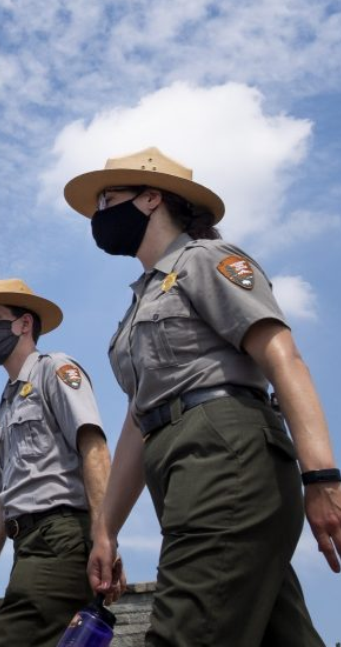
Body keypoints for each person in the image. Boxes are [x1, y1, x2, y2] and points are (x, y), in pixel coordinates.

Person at [63, 146, 340, 646]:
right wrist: (106, 529)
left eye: (108, 199)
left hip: (224, 454)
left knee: (184, 633)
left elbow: (283, 358)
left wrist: (321, 477)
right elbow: (139, 419)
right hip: (183, 469)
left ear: (150, 199)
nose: (100, 213)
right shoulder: (140, 301)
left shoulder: (207, 260)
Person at [0, 278, 121, 646]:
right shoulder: (0, 413)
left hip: (60, 537)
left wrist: (105, 535)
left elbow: (93, 448)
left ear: (24, 324)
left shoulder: (54, 370)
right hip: (27, 545)